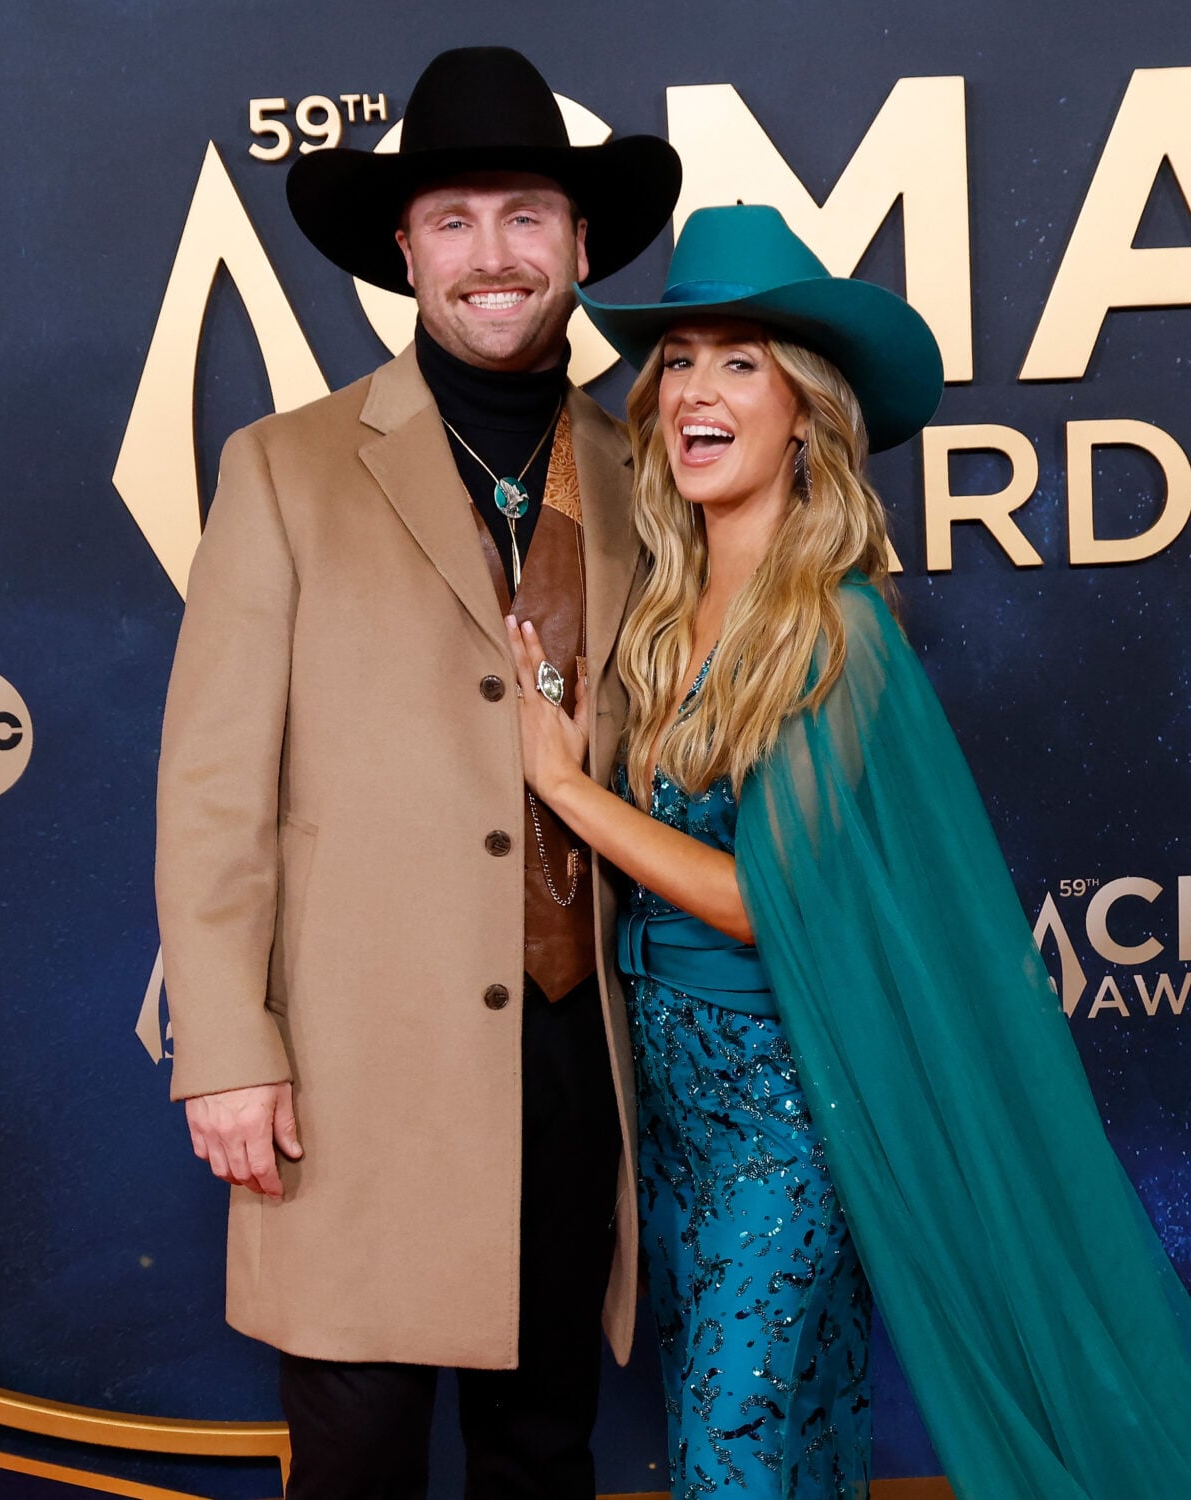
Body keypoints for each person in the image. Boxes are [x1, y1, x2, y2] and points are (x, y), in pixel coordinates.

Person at [506, 203, 1191, 1500]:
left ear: (805, 411)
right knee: (803, 1427)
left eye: (742, 363)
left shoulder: (838, 630)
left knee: (731, 1454)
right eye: (683, 362)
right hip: (672, 1116)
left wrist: (563, 789)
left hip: (794, 1107)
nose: (700, 392)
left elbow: (776, 903)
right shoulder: (658, 613)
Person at [154, 46, 680, 1500]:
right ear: (404, 253)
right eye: (454, 220)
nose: (493, 256)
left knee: (541, 1451)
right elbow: (213, 791)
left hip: (581, 1065)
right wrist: (229, 1048)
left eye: (528, 216)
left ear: (581, 244)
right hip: (353, 1071)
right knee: (358, 1459)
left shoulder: (650, 471)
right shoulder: (284, 467)